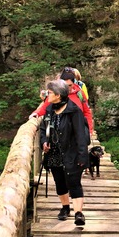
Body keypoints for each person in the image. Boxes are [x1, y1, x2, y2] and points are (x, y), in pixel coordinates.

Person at [39, 79, 89, 225]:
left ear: (58, 95)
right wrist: (44, 142)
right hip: (54, 153)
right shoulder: (49, 110)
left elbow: (81, 135)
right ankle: (65, 208)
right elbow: (43, 130)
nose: (47, 95)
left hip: (71, 152)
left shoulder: (74, 111)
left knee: (74, 182)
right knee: (60, 182)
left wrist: (82, 156)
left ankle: (78, 213)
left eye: (49, 93)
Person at [30, 68, 94, 138]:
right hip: (62, 132)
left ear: (73, 83)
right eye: (65, 85)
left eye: (70, 85)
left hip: (78, 131)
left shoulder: (80, 93)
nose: (68, 88)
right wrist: (36, 113)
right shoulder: (57, 93)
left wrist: (89, 130)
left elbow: (87, 112)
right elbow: (46, 106)